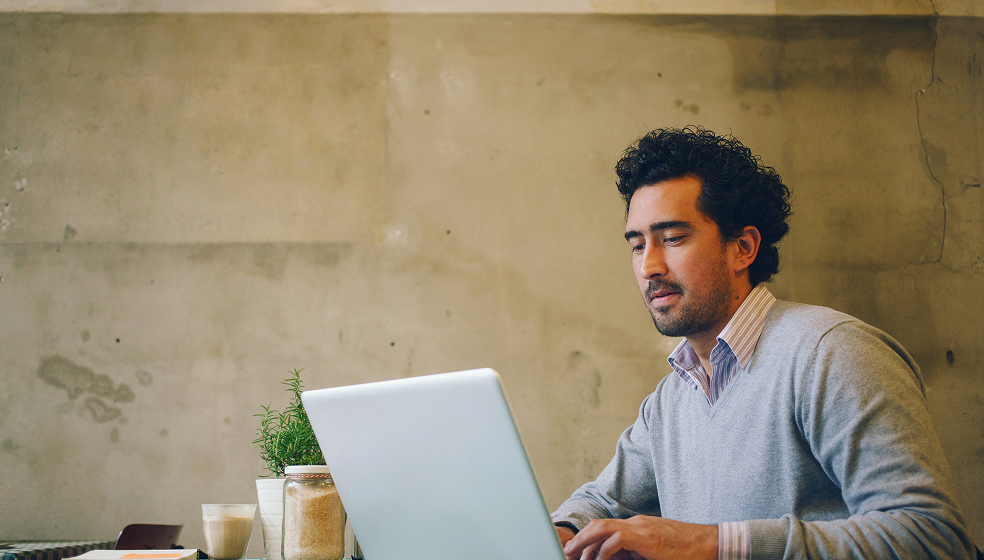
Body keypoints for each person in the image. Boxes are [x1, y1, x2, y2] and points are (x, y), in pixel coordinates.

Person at [551, 126, 978, 560]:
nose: (649, 266)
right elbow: (601, 503)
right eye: (637, 245)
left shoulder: (832, 353)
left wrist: (713, 543)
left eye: (673, 238)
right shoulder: (671, 398)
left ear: (743, 248)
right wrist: (562, 531)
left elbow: (932, 538)